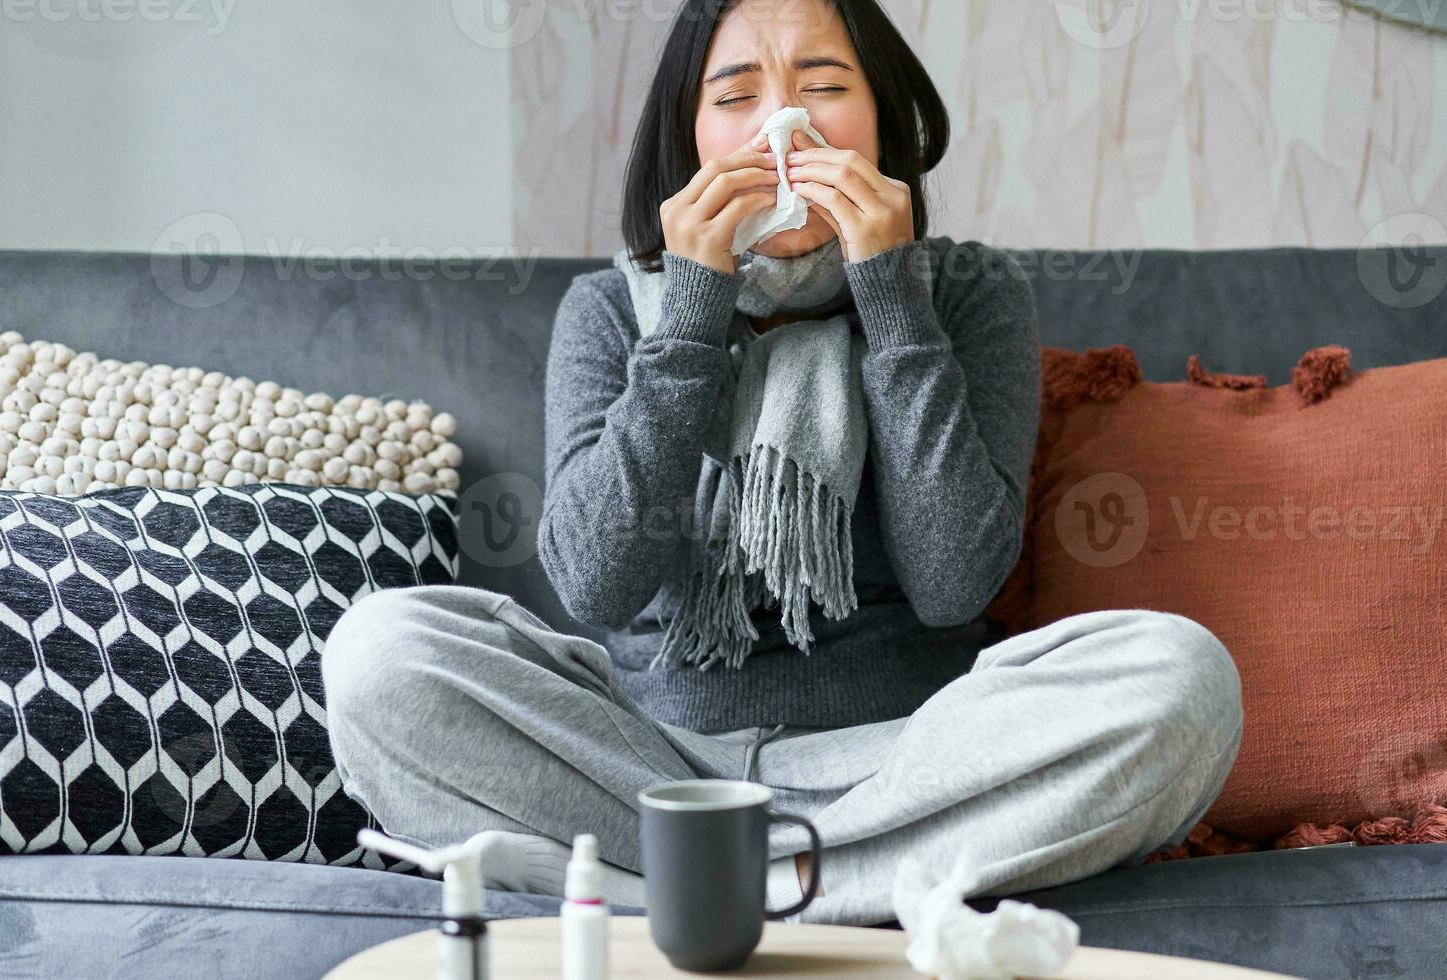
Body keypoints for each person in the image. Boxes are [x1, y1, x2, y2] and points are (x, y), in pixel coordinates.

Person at [324, 0, 1242, 925]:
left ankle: (705, 893)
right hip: (654, 770)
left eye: (824, 87)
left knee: (1181, 677)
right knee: (381, 656)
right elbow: (595, 583)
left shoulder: (965, 292)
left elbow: (953, 583)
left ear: (881, 116)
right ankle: (860, 891)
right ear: (689, 141)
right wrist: (687, 316)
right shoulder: (608, 309)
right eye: (737, 96)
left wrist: (892, 298)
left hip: (904, 766)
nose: (782, 127)